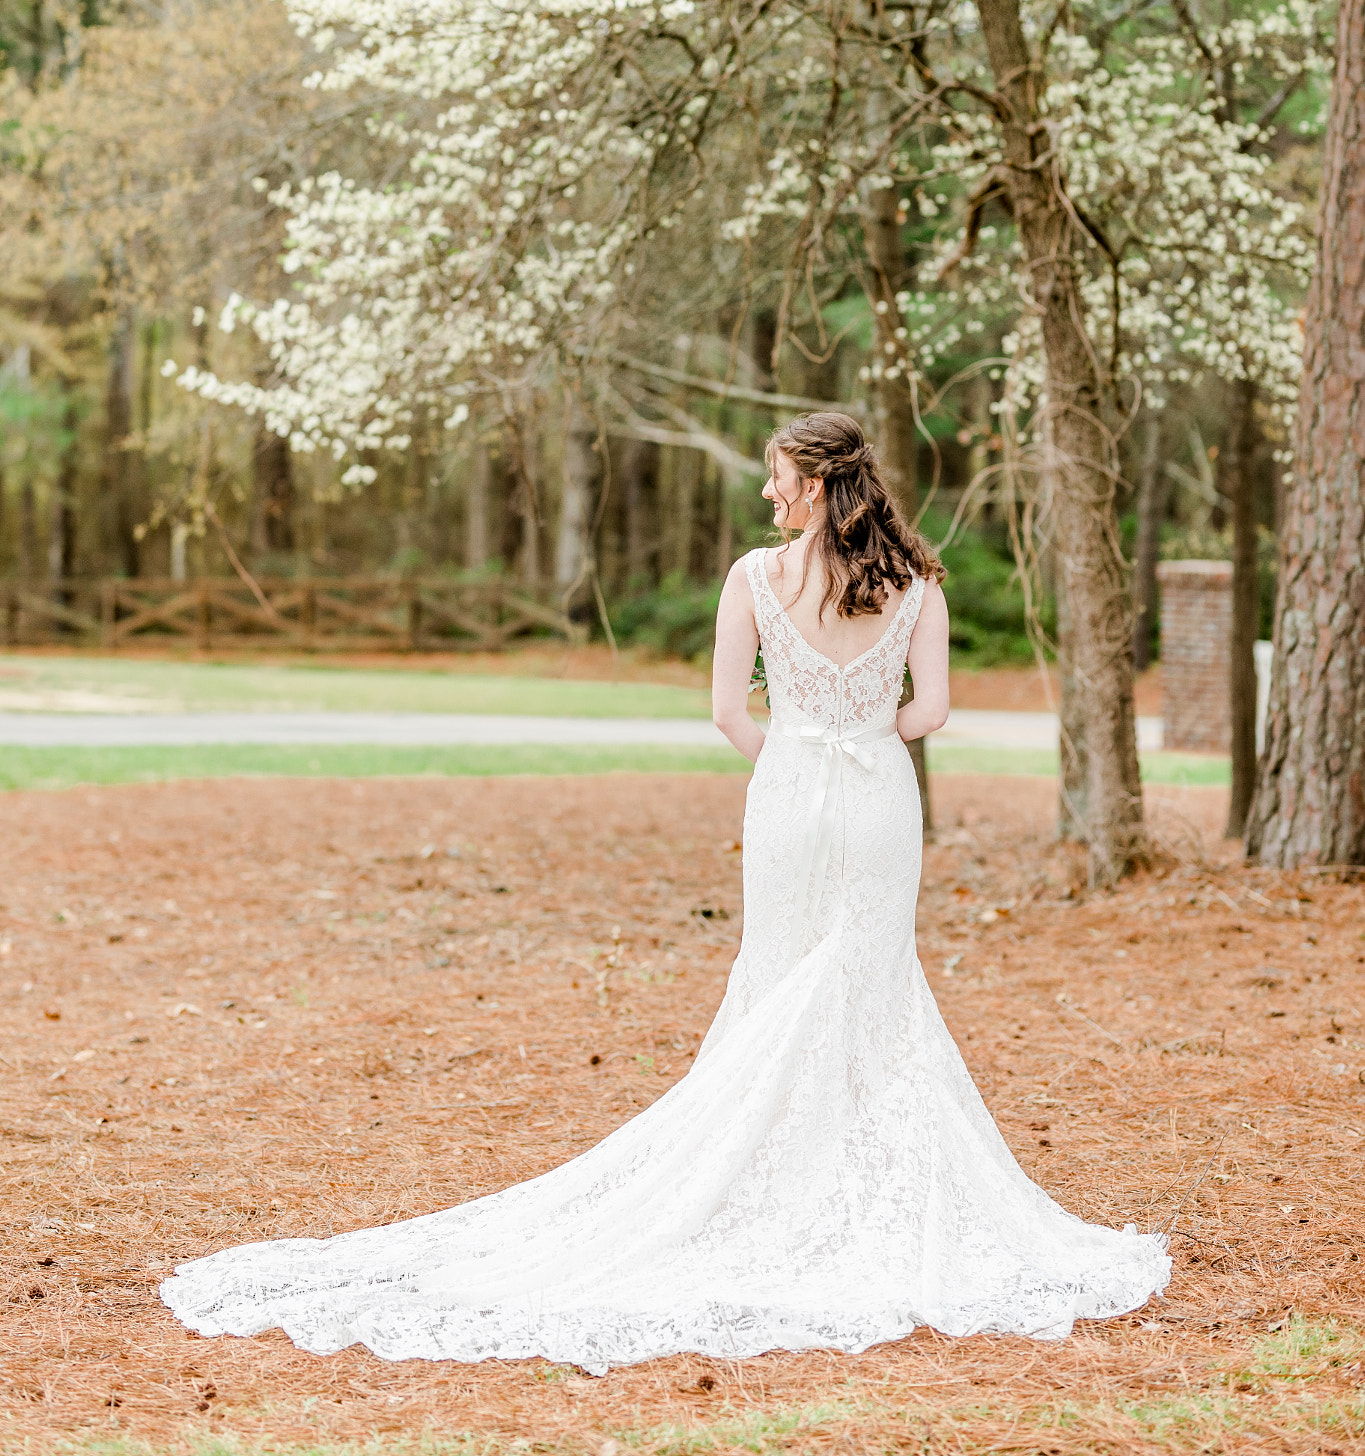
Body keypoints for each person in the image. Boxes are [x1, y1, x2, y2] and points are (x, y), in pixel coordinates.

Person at [159, 412, 1169, 1372]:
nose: (768, 489)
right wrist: (860, 736)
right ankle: (854, 1181)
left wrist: (795, 752)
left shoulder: (753, 579)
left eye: (778, 474)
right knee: (869, 982)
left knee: (777, 974)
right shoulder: (917, 585)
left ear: (814, 486)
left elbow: (729, 709)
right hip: (876, 803)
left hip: (785, 803)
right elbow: (933, 711)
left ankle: (760, 1174)